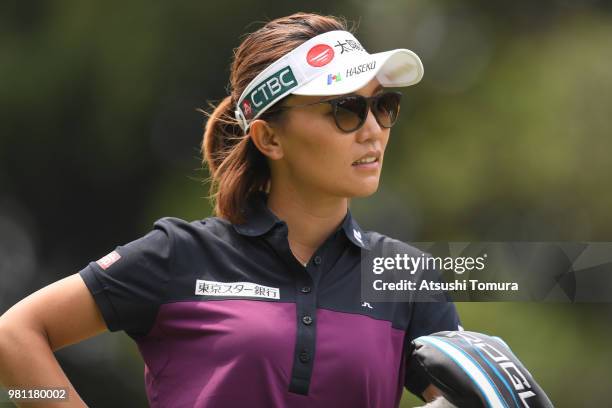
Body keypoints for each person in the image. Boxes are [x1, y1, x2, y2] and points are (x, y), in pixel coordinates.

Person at [0, 12, 462, 408]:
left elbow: (463, 397)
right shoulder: (177, 255)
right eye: (345, 109)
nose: (372, 131)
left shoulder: (405, 276)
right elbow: (12, 336)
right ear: (269, 138)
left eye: (382, 106)